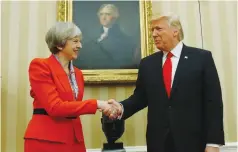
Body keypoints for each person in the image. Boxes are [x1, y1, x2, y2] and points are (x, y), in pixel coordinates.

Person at [104, 13, 225, 152]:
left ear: (175, 31)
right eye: (152, 31)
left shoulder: (201, 58)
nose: (154, 34)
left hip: (193, 142)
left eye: (158, 29)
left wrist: (214, 143)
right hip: (159, 142)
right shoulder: (147, 63)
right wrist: (120, 107)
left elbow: (213, 103)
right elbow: (140, 98)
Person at [24, 22, 116, 152]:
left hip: (74, 140)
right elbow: (55, 107)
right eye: (75, 41)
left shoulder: (78, 74)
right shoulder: (40, 66)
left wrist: (107, 107)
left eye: (79, 41)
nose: (80, 45)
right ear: (59, 44)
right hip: (46, 140)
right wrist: (97, 104)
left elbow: (73, 107)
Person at [74, 4, 140, 69]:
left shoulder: (124, 40)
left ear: (115, 17)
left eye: (107, 14)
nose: (103, 17)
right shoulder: (92, 36)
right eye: (101, 14)